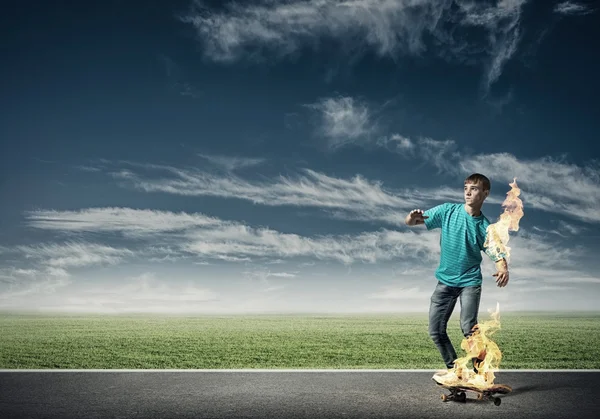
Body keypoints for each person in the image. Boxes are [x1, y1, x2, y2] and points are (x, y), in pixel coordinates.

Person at [404, 173, 509, 381]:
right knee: (435, 331)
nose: (468, 192)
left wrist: (503, 268)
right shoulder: (447, 211)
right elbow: (413, 222)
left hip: (469, 283)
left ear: (485, 193)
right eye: (466, 187)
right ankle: (456, 371)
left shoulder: (485, 227)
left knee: (469, 327)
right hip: (445, 282)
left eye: (474, 188)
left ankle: (482, 374)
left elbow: (497, 254)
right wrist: (411, 216)